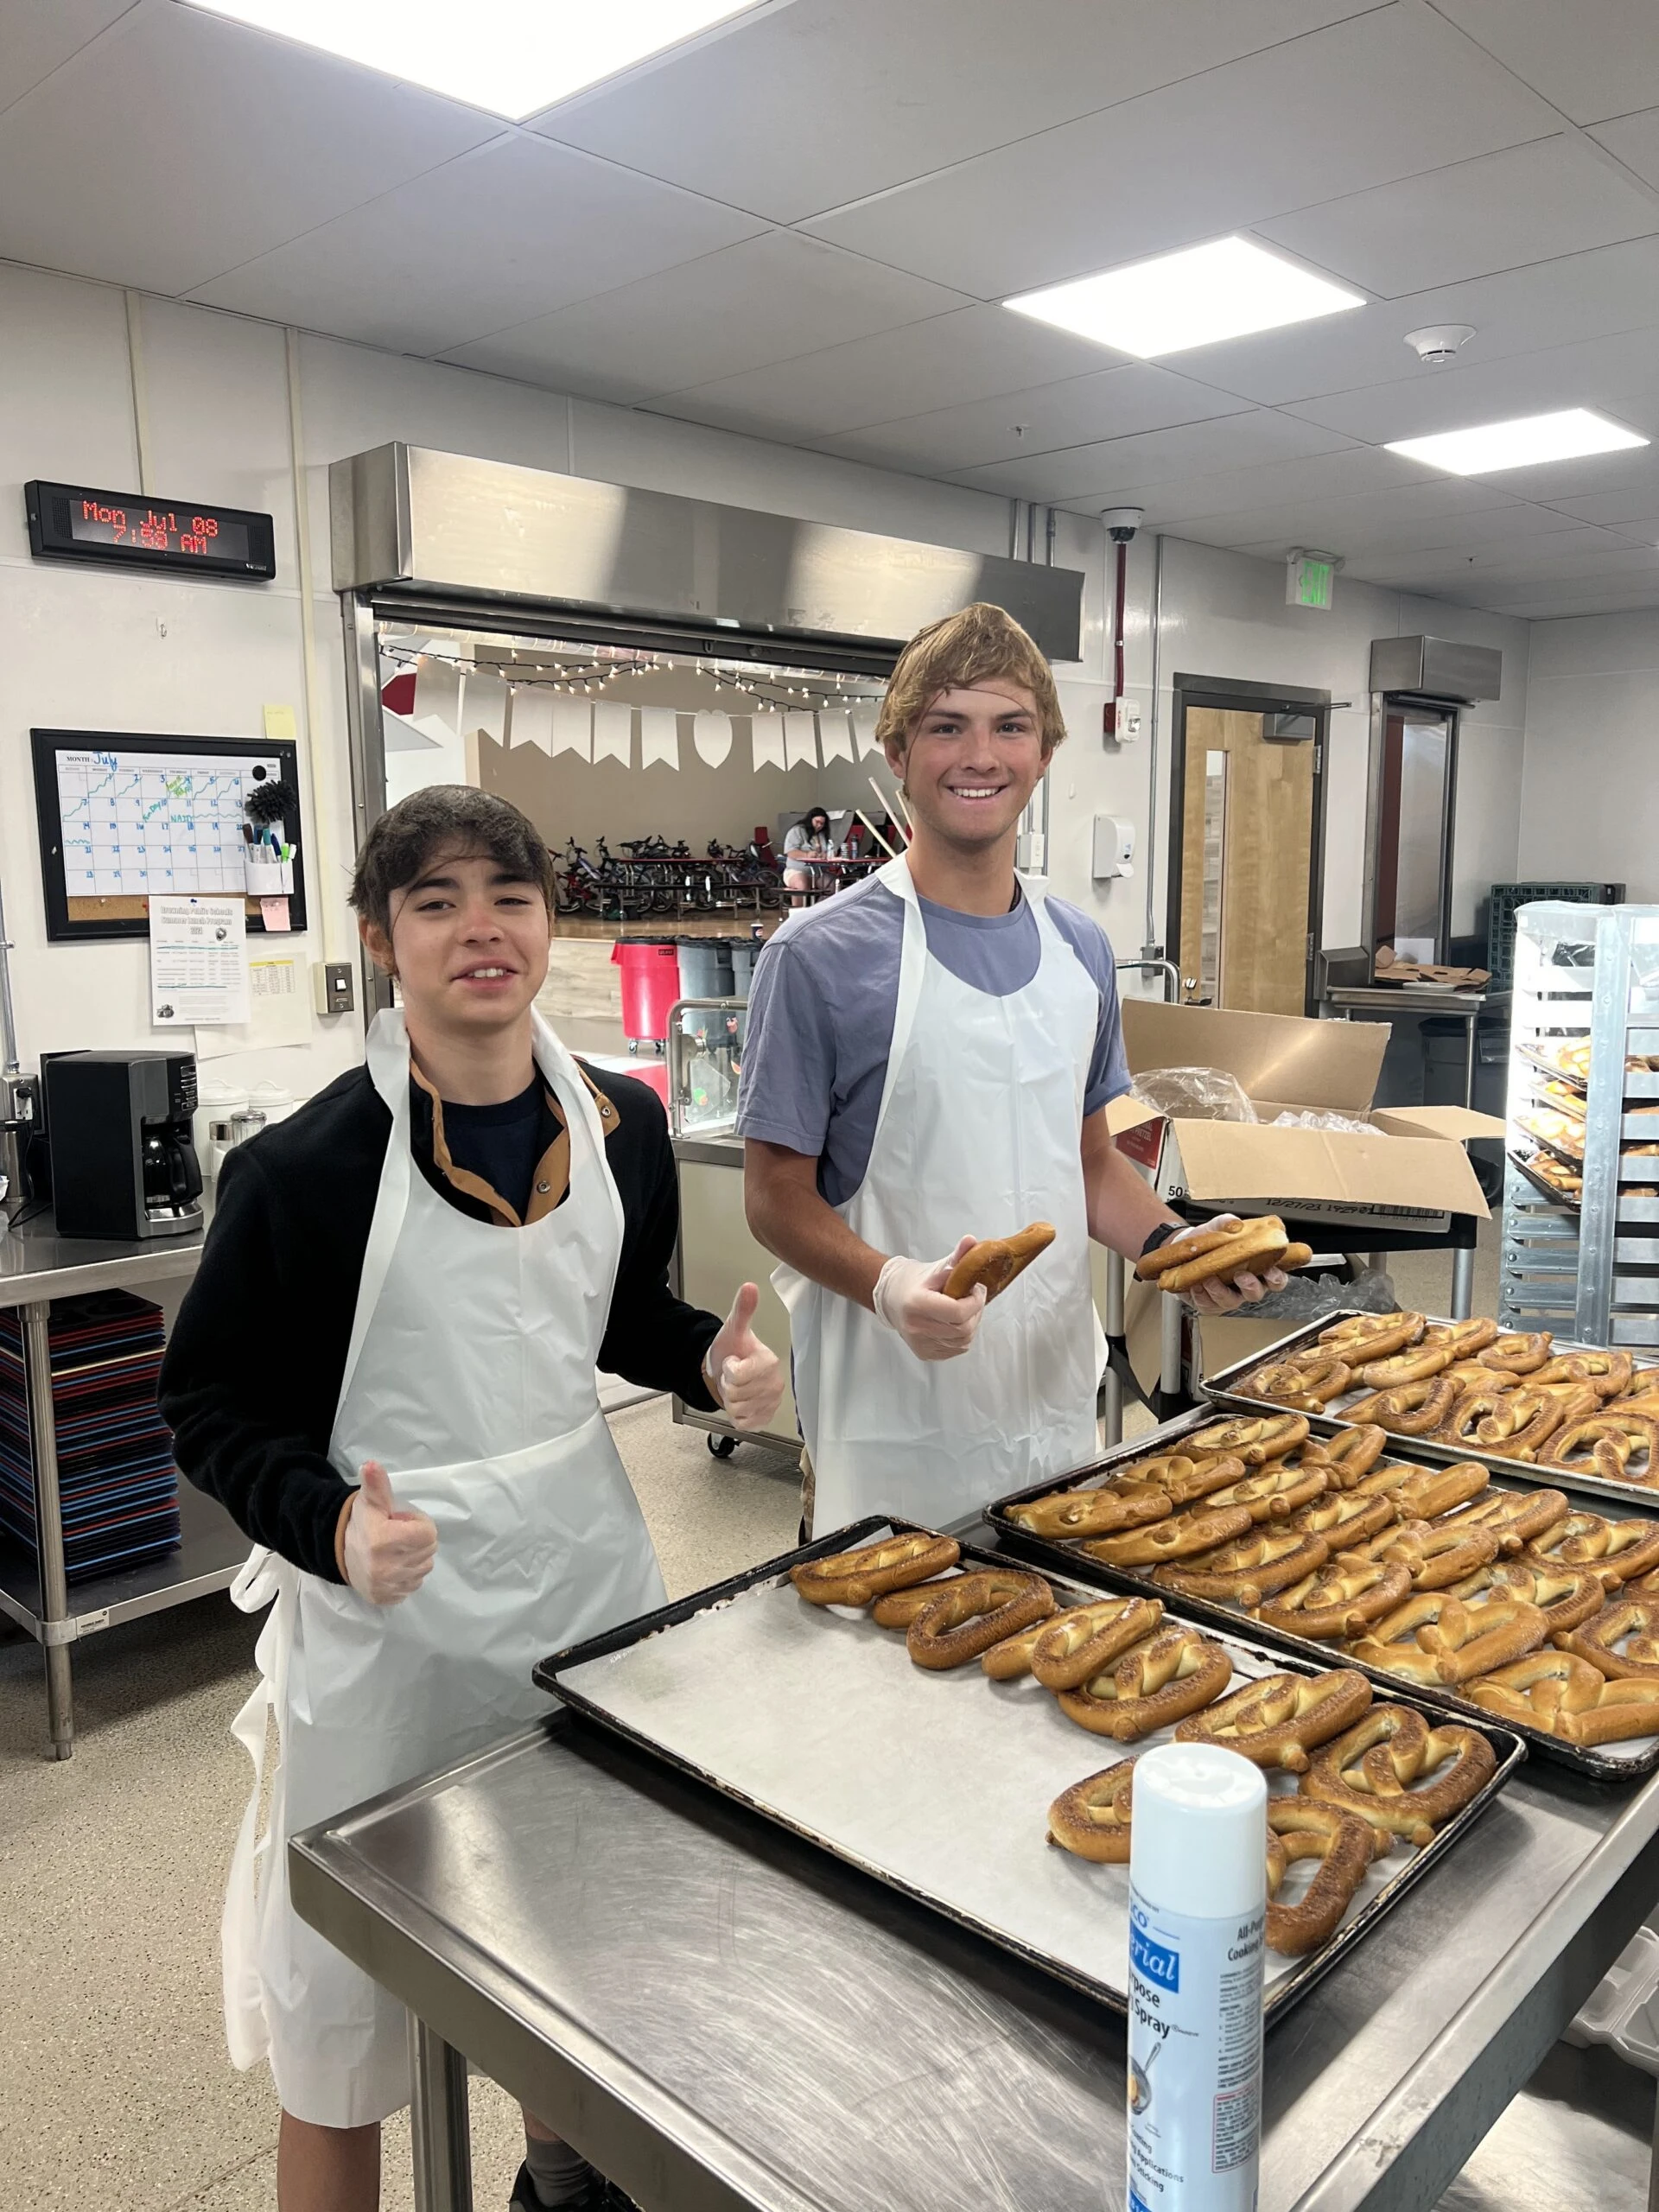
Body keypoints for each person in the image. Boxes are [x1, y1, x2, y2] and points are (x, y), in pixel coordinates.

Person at [160, 786, 784, 2212]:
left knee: (582, 1959)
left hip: (581, 1595)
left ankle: (556, 2183)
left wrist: (705, 1361)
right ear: (383, 939)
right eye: (435, 902)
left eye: (507, 894)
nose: (479, 929)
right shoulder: (304, 1171)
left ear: (548, 921)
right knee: (344, 2018)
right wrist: (327, 1522)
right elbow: (209, 1409)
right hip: (386, 1633)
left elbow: (613, 1312)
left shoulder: (617, 1122)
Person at [739, 602, 1282, 1536]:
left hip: (1053, 1411)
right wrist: (887, 1283)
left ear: (1043, 756)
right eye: (946, 727)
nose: (979, 755)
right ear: (900, 754)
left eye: (1010, 726)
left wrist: (1171, 1244)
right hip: (893, 1413)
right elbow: (774, 1195)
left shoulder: (1080, 947)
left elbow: (1086, 1165)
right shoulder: (819, 957)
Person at [781, 804, 839, 904]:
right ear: (810, 820)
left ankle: (819, 911)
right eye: (817, 822)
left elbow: (828, 850)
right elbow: (791, 852)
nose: (819, 826)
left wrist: (826, 854)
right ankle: (797, 914)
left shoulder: (822, 834)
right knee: (801, 885)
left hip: (817, 873)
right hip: (796, 870)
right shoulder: (797, 831)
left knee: (833, 885)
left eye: (822, 824)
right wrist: (807, 855)